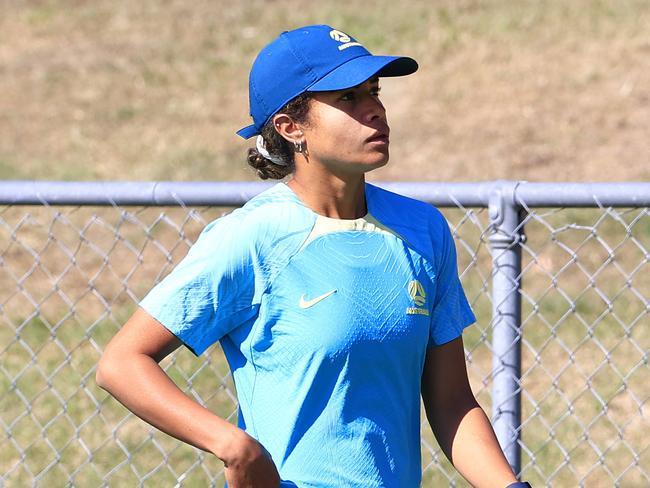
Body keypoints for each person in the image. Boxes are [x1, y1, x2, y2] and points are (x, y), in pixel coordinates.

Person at [96, 25, 531, 488]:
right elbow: (122, 363)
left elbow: (452, 404)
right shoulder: (251, 237)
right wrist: (234, 447)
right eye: (348, 98)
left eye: (374, 90)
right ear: (290, 127)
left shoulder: (423, 230)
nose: (376, 110)